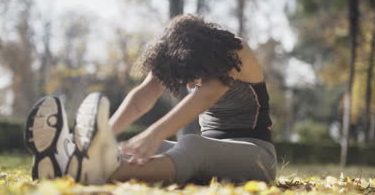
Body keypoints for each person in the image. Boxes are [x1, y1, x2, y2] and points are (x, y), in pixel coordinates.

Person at [24, 14, 277, 185]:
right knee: (130, 148)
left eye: (193, 76)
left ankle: (95, 171)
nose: (189, 84)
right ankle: (68, 161)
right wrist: (103, 136)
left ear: (203, 57)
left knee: (192, 145)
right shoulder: (186, 54)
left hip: (257, 157)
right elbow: (141, 98)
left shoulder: (234, 51)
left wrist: (155, 133)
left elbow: (205, 97)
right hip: (213, 153)